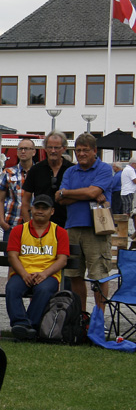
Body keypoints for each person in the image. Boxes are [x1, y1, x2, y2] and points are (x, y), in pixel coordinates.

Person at [56, 132, 114, 310]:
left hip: (96, 229)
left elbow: (92, 193)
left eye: (85, 150)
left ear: (94, 151)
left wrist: (70, 193)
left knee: (99, 276)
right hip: (72, 228)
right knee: (75, 275)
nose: (81, 154)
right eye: (78, 150)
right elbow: (59, 198)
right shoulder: (70, 171)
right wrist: (87, 193)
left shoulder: (104, 169)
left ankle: (98, 318)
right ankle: (82, 317)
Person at [6, 194, 69, 339]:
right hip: (22, 273)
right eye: (37, 207)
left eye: (44, 208)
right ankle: (20, 324)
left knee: (44, 289)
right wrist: (24, 274)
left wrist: (45, 274)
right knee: (12, 288)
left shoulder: (60, 232)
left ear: (52, 211)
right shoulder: (18, 230)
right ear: (31, 209)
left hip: (48, 275)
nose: (40, 211)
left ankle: (30, 326)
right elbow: (12, 256)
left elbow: (62, 260)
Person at [21, 131, 72, 227]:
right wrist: (29, 226)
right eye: (50, 147)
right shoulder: (36, 170)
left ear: (64, 149)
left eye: (56, 148)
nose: (53, 151)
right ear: (45, 148)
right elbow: (25, 201)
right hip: (40, 226)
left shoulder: (72, 170)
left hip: (67, 225)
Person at [0, 138, 36, 233]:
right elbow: (0, 200)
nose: (23, 151)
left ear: (33, 152)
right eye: (20, 149)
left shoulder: (39, 173)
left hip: (35, 225)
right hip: (12, 225)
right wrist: (2, 221)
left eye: (26, 149)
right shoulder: (8, 173)